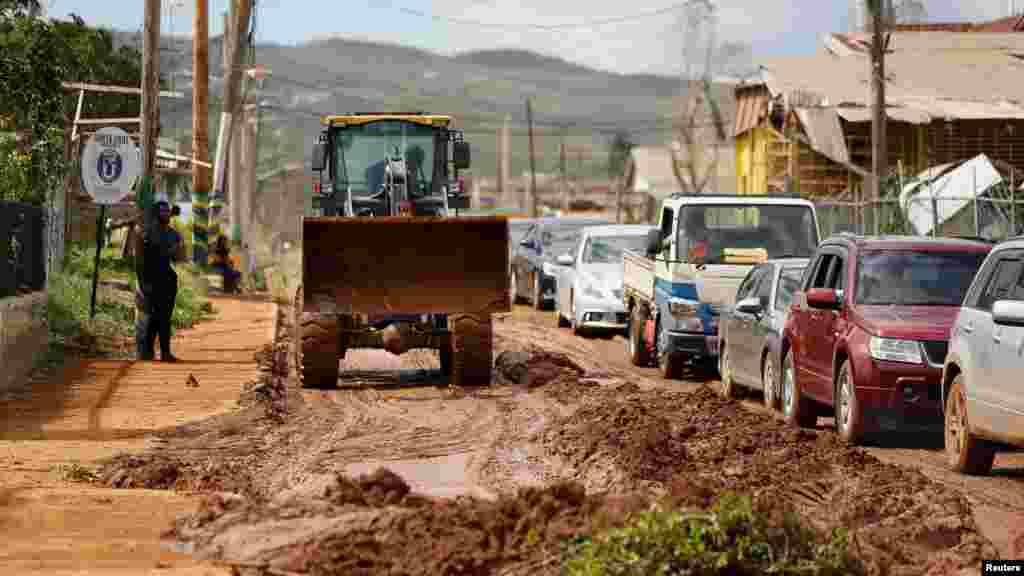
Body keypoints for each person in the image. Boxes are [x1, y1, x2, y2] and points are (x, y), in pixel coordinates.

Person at [135, 200, 185, 362]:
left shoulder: (173, 234)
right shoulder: (147, 233)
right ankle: (151, 351)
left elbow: (178, 259)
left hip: (168, 279)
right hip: (151, 278)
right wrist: (143, 282)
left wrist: (178, 249)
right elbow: (140, 259)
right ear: (156, 213)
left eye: (167, 211)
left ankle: (159, 352)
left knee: (164, 316)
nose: (166, 214)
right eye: (162, 211)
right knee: (156, 316)